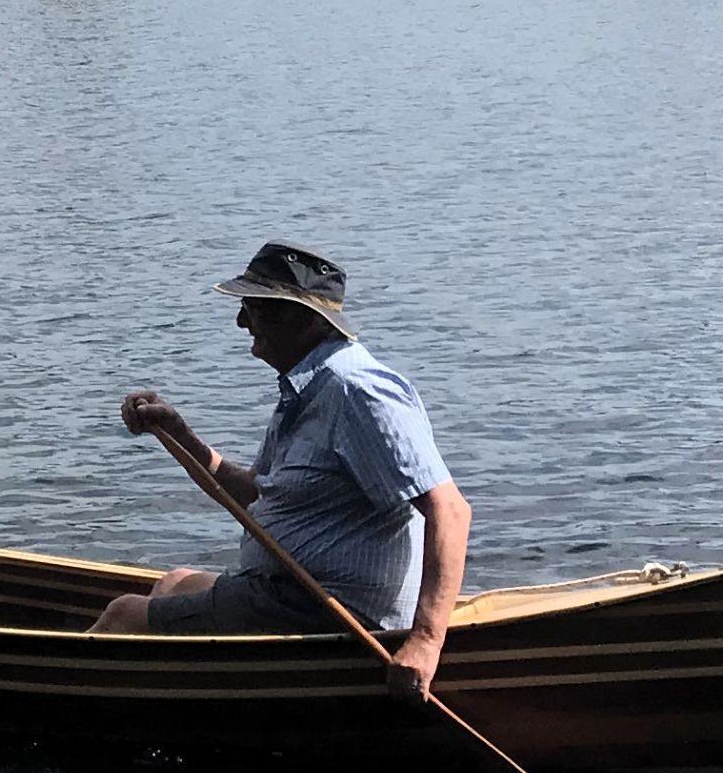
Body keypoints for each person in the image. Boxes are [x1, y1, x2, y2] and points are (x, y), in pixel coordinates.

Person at [95, 240, 472, 699]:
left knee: (123, 616)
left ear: (301, 318)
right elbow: (255, 498)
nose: (241, 322)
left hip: (333, 612)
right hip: (284, 593)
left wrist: (426, 641)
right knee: (173, 583)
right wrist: (175, 433)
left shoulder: (358, 392)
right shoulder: (307, 387)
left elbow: (450, 510)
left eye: (253, 308)